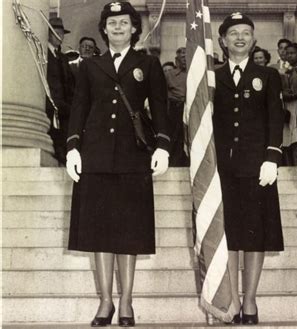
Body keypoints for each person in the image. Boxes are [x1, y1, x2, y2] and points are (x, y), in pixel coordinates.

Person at [65, 2, 171, 327]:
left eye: (124, 23)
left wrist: (164, 146)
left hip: (133, 156)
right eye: (112, 23)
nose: (118, 28)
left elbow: (162, 107)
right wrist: (72, 147)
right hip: (96, 156)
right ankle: (105, 302)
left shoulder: (148, 63)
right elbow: (80, 106)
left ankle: (126, 301)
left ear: (134, 27)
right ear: (105, 28)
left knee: (129, 231)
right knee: (99, 231)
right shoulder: (90, 65)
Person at [214, 12, 284, 325]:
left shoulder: (268, 75)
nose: (240, 38)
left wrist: (272, 157)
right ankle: (231, 298)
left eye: (246, 33)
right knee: (229, 235)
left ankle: (251, 299)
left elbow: (275, 118)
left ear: (254, 40)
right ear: (223, 41)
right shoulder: (211, 76)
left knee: (255, 235)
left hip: (258, 166)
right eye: (233, 33)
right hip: (224, 167)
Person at [46, 17, 75, 165]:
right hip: (50, 103)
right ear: (48, 35)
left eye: (61, 33)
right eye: (56, 32)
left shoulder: (63, 58)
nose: (59, 36)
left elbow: (70, 83)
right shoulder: (43, 54)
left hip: (64, 105)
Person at [165, 47, 189, 167]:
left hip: (191, 109)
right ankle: (174, 163)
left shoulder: (194, 73)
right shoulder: (169, 75)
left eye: (187, 57)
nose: (185, 60)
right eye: (182, 57)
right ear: (177, 59)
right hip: (176, 109)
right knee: (175, 137)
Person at [281, 42, 297, 166]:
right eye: (287, 53)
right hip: (286, 107)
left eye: (293, 53)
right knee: (285, 139)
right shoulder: (282, 70)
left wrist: (296, 94)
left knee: (296, 138)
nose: (290, 56)